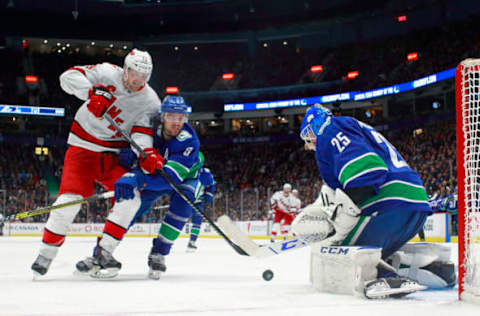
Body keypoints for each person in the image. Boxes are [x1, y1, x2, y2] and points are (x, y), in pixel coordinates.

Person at [292, 104, 455, 298]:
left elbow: (367, 169)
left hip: (387, 208)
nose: (310, 143)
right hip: (413, 207)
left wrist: (340, 222)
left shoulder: (330, 129)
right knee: (375, 249)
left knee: (330, 252)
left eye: (309, 135)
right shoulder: (356, 127)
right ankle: (431, 269)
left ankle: (380, 275)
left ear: (316, 125)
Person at [31, 49, 161, 276]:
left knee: (131, 199)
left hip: (112, 156)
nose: (138, 80)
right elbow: (66, 78)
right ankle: (46, 254)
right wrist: (90, 92)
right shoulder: (107, 72)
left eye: (144, 75)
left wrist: (146, 152)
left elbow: (141, 131)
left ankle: (104, 252)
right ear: (125, 69)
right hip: (82, 149)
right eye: (135, 73)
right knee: (68, 202)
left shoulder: (150, 100)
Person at [76, 95, 203, 279]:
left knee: (184, 201)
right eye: (171, 117)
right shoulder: (148, 126)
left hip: (183, 178)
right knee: (129, 207)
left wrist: (137, 179)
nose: (177, 122)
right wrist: (130, 165)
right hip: (154, 175)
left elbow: (170, 178)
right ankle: (101, 252)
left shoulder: (189, 141)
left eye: (181, 118)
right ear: (162, 116)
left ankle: (159, 253)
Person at [186, 167, 216, 252]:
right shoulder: (187, 169)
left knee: (197, 220)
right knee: (177, 218)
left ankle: (192, 242)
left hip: (197, 202)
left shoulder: (205, 172)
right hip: (186, 200)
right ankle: (165, 240)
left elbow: (212, 183)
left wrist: (209, 194)